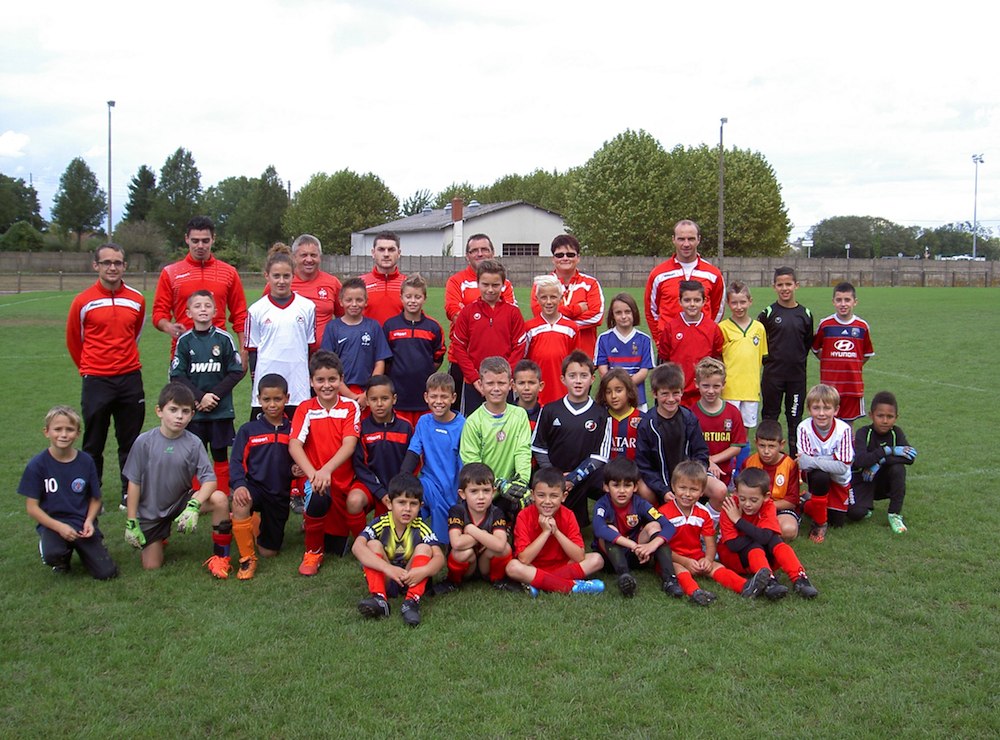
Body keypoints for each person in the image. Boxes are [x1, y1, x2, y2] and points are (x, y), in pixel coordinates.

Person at [122, 382, 232, 577]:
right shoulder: (144, 442)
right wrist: (131, 520)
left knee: (220, 499)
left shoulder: (193, 442)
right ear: (159, 411)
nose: (179, 416)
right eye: (173, 410)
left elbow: (209, 480)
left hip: (181, 501)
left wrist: (194, 505)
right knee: (151, 566)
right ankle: (160, 534)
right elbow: (134, 483)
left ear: (192, 415)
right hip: (150, 511)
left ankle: (221, 557)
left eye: (186, 411)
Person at [66, 242, 145, 508]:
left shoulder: (136, 299)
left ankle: (128, 492)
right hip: (97, 380)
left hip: (130, 378)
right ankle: (91, 491)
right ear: (96, 266)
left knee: (130, 441)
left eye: (118, 262)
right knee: (94, 440)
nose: (113, 267)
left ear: (125, 266)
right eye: (107, 262)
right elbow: (75, 341)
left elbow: (135, 334)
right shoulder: (83, 301)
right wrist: (91, 367)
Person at [18, 406, 118, 580]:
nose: (63, 434)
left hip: (81, 524)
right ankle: (59, 557)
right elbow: (32, 508)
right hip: (54, 524)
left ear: (78, 433)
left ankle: (91, 547)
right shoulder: (37, 465)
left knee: (107, 573)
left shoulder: (86, 461)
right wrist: (60, 527)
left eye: (69, 430)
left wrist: (89, 521)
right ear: (46, 432)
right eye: (58, 429)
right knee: (53, 554)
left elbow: (95, 499)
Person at [657, 461, 770, 605]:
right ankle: (695, 592)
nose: (687, 494)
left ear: (702, 491)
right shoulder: (663, 513)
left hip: (696, 556)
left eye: (693, 489)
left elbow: (710, 544)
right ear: (673, 487)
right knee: (678, 569)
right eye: (682, 488)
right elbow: (663, 548)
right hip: (672, 558)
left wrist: (708, 559)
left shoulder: (703, 513)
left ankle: (746, 586)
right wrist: (685, 561)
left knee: (716, 567)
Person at [288, 351, 361, 573]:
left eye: (332, 379)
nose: (326, 385)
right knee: (318, 494)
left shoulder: (350, 407)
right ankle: (312, 553)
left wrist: (326, 470)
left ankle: (357, 541)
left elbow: (349, 444)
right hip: (315, 479)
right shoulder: (305, 408)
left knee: (337, 547)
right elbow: (294, 445)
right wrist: (313, 474)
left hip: (342, 481)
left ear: (341, 379)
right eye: (320, 380)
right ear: (311, 381)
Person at [170, 290, 245, 496]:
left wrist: (213, 396)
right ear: (188, 312)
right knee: (195, 453)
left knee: (220, 453)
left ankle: (221, 493)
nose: (203, 309)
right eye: (197, 306)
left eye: (207, 306)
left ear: (215, 311)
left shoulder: (224, 339)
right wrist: (198, 397)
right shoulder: (184, 341)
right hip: (195, 410)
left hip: (219, 410)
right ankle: (198, 496)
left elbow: (235, 372)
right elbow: (177, 375)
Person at [530, 351, 612, 527]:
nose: (578, 380)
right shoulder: (550, 410)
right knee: (553, 519)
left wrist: (574, 477)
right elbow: (538, 447)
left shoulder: (601, 414)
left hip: (585, 476)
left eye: (583, 376)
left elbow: (600, 456)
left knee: (613, 487)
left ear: (592, 379)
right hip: (554, 474)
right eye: (572, 376)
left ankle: (609, 525)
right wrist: (555, 475)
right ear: (563, 379)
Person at [352, 473, 445, 627]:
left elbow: (440, 558)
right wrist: (388, 568)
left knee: (425, 548)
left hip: (411, 578)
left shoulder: (421, 527)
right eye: (401, 502)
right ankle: (380, 599)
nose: (407, 509)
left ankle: (411, 602)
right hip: (387, 577)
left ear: (420, 506)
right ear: (389, 503)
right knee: (372, 545)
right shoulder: (381, 523)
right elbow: (357, 547)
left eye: (413, 504)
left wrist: (424, 571)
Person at [229, 374, 298, 580]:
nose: (272, 404)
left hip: (279, 494)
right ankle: (247, 559)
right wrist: (240, 485)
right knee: (241, 502)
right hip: (255, 487)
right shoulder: (248, 430)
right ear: (258, 399)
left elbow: (302, 457)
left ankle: (255, 523)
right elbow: (236, 462)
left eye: (277, 399)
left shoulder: (294, 429)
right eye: (266, 400)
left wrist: (295, 470)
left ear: (287, 398)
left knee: (269, 551)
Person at [718, 468, 819, 598]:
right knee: (757, 544)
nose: (747, 504)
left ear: (766, 497)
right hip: (735, 558)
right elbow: (733, 544)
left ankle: (800, 579)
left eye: (753, 500)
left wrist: (738, 521)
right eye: (742, 498)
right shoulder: (729, 507)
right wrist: (759, 535)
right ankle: (769, 582)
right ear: (736, 493)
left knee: (776, 542)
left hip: (760, 554)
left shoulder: (769, 505)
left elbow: (765, 537)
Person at [153, 215, 247, 355]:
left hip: (219, 353)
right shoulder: (171, 273)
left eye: (205, 241)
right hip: (184, 354)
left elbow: (240, 315)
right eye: (195, 241)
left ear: (213, 239)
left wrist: (243, 350)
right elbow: (159, 312)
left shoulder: (228, 272)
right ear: (186, 239)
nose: (200, 246)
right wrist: (168, 326)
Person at [504, 466, 605, 595]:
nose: (547, 501)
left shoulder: (568, 515)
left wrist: (556, 531)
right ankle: (571, 586)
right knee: (513, 567)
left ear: (564, 497)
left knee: (597, 559)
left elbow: (579, 556)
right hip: (533, 567)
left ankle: (540, 584)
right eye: (541, 495)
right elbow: (524, 559)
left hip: (563, 565)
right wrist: (545, 532)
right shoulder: (524, 516)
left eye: (554, 496)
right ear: (533, 495)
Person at [246, 244, 317, 419]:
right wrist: (257, 383)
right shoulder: (256, 310)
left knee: (299, 438)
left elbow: (309, 347)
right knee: (266, 437)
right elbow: (253, 350)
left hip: (298, 385)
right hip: (267, 385)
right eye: (276, 276)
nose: (281, 281)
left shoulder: (307, 307)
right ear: (266, 276)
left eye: (286, 276)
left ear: (294, 276)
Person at [459, 356, 533, 523]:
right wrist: (498, 484)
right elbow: (472, 464)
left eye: (501, 383)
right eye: (490, 384)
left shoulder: (519, 415)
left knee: (522, 527)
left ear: (511, 385)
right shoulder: (473, 421)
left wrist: (522, 481)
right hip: (483, 489)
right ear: (481, 385)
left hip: (512, 488)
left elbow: (523, 451)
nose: (496, 389)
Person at [591, 457, 679, 597]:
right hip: (610, 560)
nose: (622, 491)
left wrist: (652, 545)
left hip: (637, 556)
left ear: (636, 487)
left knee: (654, 525)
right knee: (608, 530)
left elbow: (668, 526)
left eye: (627, 485)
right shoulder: (602, 504)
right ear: (606, 487)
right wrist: (631, 544)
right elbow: (599, 529)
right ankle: (624, 577)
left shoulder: (640, 503)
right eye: (616, 485)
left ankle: (670, 580)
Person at [444, 234, 516, 401]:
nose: (480, 253)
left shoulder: (505, 283)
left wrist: (470, 314)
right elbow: (452, 311)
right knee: (463, 414)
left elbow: (508, 317)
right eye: (474, 250)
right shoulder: (456, 281)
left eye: (484, 249)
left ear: (492, 252)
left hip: (499, 361)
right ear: (467, 256)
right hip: (463, 361)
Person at [449, 259, 526, 415]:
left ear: (503, 285)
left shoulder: (513, 313)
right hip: (475, 383)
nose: (490, 290)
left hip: (503, 384)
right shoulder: (468, 312)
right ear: (478, 283)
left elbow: (519, 347)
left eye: (495, 285)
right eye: (485, 284)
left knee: (504, 428)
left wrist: (505, 377)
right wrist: (474, 378)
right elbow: (459, 347)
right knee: (473, 427)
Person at [634, 363, 714, 506]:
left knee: (719, 490)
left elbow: (701, 453)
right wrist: (663, 490)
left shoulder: (689, 419)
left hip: (689, 479)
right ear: (654, 393)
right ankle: (658, 517)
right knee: (643, 490)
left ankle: (705, 521)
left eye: (675, 393)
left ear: (682, 392)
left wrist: (691, 480)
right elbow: (644, 465)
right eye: (665, 394)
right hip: (660, 484)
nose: (671, 399)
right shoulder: (647, 424)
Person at [401, 373, 465, 541]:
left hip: (452, 488)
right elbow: (414, 451)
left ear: (453, 398)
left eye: (444, 396)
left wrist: (463, 492)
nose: (438, 401)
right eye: (434, 396)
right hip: (428, 483)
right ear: (426, 397)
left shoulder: (463, 425)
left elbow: (464, 462)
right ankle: (406, 541)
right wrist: (403, 478)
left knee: (444, 541)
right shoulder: (424, 421)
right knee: (408, 501)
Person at [757, 267, 813, 455]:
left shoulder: (805, 313)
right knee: (770, 417)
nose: (785, 288)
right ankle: (768, 461)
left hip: (796, 378)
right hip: (773, 377)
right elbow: (759, 340)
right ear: (774, 287)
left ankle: (794, 465)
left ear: (796, 285)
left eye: (788, 284)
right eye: (780, 284)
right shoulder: (768, 313)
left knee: (794, 419)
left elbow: (806, 344)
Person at [644, 219, 725, 348]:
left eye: (691, 239)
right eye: (681, 239)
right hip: (669, 345)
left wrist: (706, 332)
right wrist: (660, 339)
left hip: (702, 344)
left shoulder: (713, 274)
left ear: (698, 239)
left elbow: (717, 310)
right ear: (673, 239)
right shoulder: (658, 274)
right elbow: (651, 310)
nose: (686, 244)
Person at [436, 462, 515, 594]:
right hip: (467, 563)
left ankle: (497, 579)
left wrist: (473, 530)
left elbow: (501, 545)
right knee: (463, 552)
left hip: (486, 564)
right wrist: (486, 537)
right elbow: (457, 542)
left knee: (505, 549)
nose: (481, 497)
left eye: (486, 490)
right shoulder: (457, 511)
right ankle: (453, 581)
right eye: (474, 491)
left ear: (493, 491)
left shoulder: (496, 512)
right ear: (462, 494)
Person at [347, 376, 413, 523]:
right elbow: (360, 466)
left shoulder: (406, 427)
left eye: (384, 398)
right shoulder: (362, 428)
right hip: (370, 485)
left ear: (394, 399)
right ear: (367, 401)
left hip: (399, 486)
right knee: (354, 501)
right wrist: (380, 492)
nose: (379, 404)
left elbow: (413, 461)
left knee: (393, 537)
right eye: (374, 399)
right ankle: (362, 539)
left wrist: (399, 487)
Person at [383, 273, 445, 428]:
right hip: (399, 395)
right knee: (401, 436)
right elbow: (386, 359)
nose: (412, 301)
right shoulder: (391, 326)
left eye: (417, 297)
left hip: (423, 395)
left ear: (424, 298)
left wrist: (423, 370)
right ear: (401, 297)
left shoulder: (433, 327)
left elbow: (438, 357)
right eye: (408, 296)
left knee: (423, 438)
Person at [320, 277, 392, 411]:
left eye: (359, 300)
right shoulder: (333, 327)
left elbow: (380, 361)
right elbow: (328, 366)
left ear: (366, 301)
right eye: (349, 300)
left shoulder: (373, 326)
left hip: (368, 393)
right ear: (341, 302)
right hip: (340, 390)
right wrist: (350, 395)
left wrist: (368, 392)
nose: (354, 304)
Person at [849, 391, 916, 533]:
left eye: (890, 416)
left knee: (898, 469)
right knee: (855, 514)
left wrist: (880, 462)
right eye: (880, 416)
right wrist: (887, 450)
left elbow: (910, 457)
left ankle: (894, 514)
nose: (885, 421)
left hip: (884, 483)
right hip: (865, 480)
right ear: (871, 415)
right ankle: (865, 507)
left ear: (896, 418)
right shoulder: (863, 433)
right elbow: (860, 461)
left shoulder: (896, 433)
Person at [528, 235, 605, 357]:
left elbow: (596, 316)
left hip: (584, 354)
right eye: (560, 255)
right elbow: (539, 312)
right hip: (551, 353)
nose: (565, 258)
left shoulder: (591, 283)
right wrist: (577, 309)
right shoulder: (542, 284)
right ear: (553, 259)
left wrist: (557, 319)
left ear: (578, 258)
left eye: (570, 254)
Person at [796, 384, 854, 544]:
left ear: (836, 410)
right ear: (809, 409)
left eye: (827, 408)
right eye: (816, 408)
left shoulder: (844, 430)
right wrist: (832, 459)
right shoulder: (804, 428)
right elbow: (804, 466)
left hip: (839, 480)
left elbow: (843, 468)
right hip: (816, 478)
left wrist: (814, 460)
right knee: (820, 476)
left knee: (842, 520)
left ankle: (806, 501)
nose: (821, 413)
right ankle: (819, 524)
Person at [720, 280, 767, 472]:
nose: (739, 307)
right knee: (727, 433)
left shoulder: (759, 328)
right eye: (734, 303)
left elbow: (761, 358)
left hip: (750, 390)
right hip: (729, 390)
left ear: (750, 301)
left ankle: (741, 472)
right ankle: (727, 472)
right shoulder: (723, 328)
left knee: (745, 434)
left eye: (742, 302)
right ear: (728, 304)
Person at [812, 281, 875, 423]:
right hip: (829, 387)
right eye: (839, 300)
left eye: (847, 300)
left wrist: (854, 364)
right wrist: (829, 361)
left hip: (852, 386)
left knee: (848, 425)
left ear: (855, 302)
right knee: (827, 422)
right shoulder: (825, 325)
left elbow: (866, 354)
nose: (843, 304)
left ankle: (848, 446)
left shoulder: (862, 327)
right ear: (833, 302)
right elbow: (815, 349)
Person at [657, 280, 724, 406]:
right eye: (687, 300)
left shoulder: (712, 328)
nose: (692, 304)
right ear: (680, 301)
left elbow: (717, 359)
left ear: (704, 301)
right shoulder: (671, 327)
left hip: (704, 394)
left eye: (697, 300)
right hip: (678, 393)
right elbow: (664, 360)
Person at [690, 357, 747, 497]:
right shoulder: (690, 413)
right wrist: (705, 463)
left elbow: (737, 446)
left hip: (724, 471)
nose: (711, 391)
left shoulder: (733, 412)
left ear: (723, 384)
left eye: (716, 386)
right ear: (696, 384)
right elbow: (687, 447)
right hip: (697, 470)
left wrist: (711, 460)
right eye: (706, 386)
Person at [525, 274, 579, 405]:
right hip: (536, 391)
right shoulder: (529, 327)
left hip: (562, 390)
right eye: (544, 297)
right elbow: (525, 359)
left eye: (553, 297)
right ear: (537, 299)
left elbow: (573, 361)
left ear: (561, 298)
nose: (548, 302)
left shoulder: (571, 328)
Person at [743, 420, 801, 541]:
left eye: (772, 446)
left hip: (779, 509)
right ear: (756, 443)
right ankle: (764, 534)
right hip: (752, 507)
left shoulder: (789, 465)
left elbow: (791, 501)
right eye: (762, 445)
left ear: (782, 445)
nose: (766, 451)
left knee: (788, 529)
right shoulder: (749, 462)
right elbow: (740, 493)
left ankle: (758, 534)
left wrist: (764, 506)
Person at [595, 292, 655, 411]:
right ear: (612, 315)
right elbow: (602, 370)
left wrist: (624, 386)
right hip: (611, 398)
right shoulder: (604, 338)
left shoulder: (644, 339)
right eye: (618, 313)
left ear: (634, 313)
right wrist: (616, 388)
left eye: (627, 312)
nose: (623, 316)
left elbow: (643, 372)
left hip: (637, 398)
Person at [285, 233, 343, 340]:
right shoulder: (282, 282)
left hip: (324, 353)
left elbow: (344, 318)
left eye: (313, 255)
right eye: (304, 255)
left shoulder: (332, 283)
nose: (309, 260)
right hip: (290, 353)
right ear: (294, 257)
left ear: (320, 257)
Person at [361, 231, 406, 325]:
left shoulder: (408, 283)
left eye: (391, 250)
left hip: (398, 339)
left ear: (399, 253)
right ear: (373, 253)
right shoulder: (360, 283)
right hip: (368, 339)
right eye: (381, 249)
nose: (386, 254)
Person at [512, 359, 544, 432]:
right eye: (521, 383)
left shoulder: (546, 414)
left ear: (541, 386)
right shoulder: (507, 414)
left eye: (531, 383)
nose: (526, 388)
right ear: (514, 387)